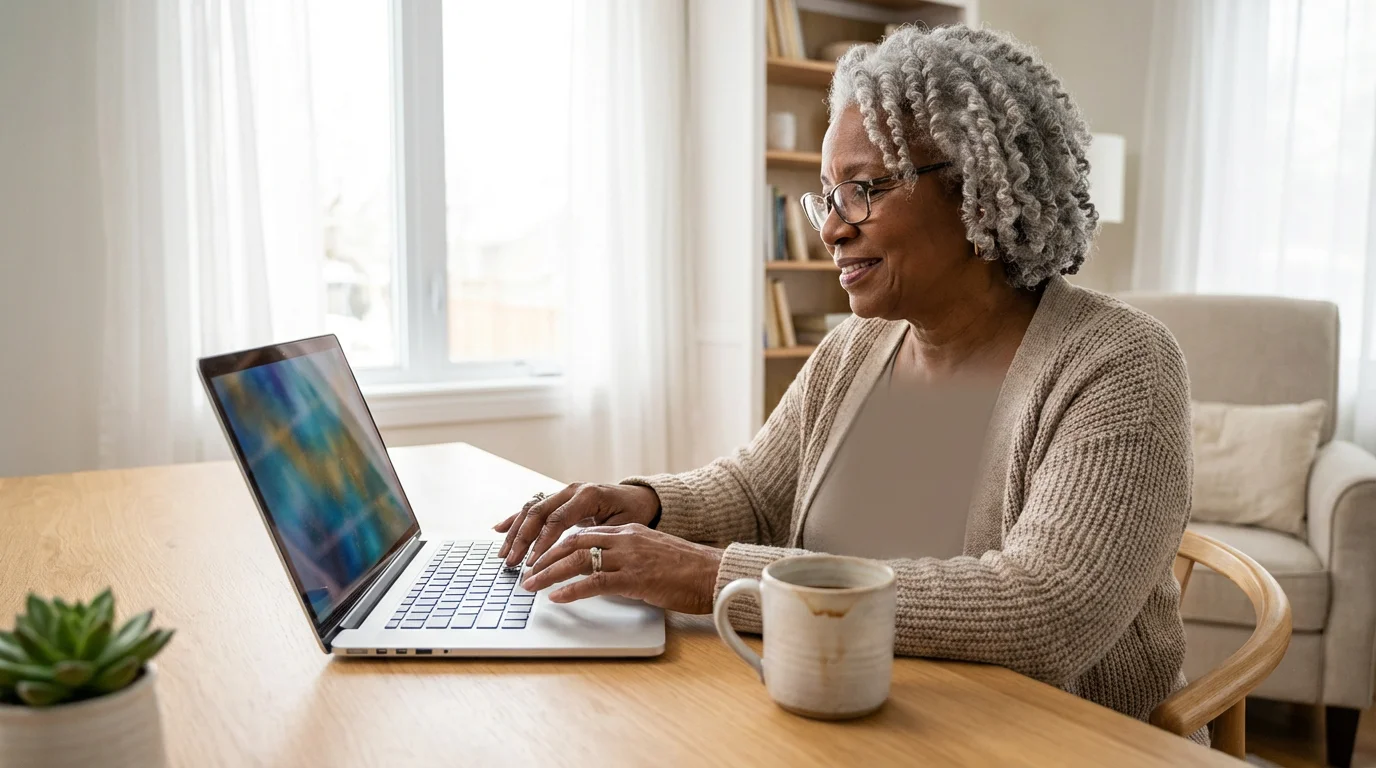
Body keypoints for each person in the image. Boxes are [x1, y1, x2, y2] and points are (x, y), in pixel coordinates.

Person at [495, 24, 1198, 737]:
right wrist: (643, 505)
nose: (831, 228)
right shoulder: (857, 346)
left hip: (1058, 742)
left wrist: (714, 578)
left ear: (976, 192)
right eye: (825, 196)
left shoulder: (1120, 363)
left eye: (861, 190)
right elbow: (754, 491)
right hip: (863, 715)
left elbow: (1045, 613)